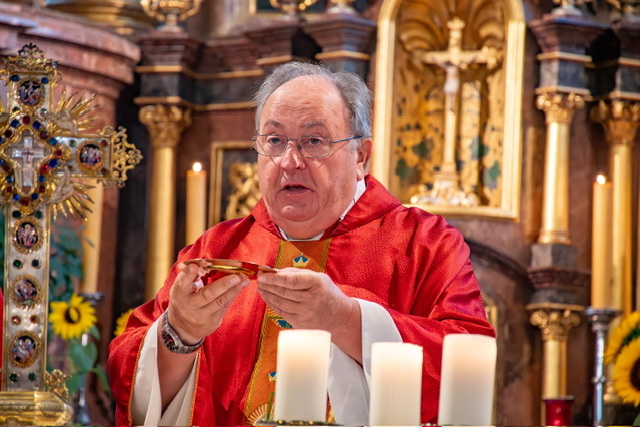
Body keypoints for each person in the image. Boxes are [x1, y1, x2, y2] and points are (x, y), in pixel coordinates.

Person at [107, 61, 495, 426]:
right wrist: (180, 332)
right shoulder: (218, 251)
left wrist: (345, 320)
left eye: (313, 141)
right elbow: (126, 375)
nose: (290, 161)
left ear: (360, 156)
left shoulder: (424, 243)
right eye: (275, 140)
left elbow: (468, 359)